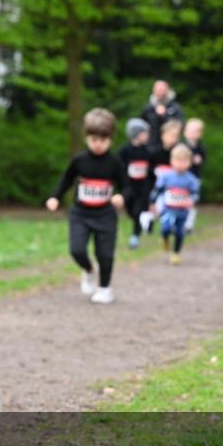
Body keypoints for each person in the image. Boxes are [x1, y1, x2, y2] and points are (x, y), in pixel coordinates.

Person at [45, 108, 127, 304]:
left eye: (103, 140)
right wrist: (55, 197)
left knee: (105, 254)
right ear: (87, 138)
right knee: (77, 250)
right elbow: (66, 179)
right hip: (81, 214)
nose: (98, 144)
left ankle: (105, 289)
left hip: (105, 215)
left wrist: (122, 196)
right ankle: (89, 270)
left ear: (111, 139)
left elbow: (127, 186)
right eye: (94, 139)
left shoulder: (115, 162)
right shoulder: (80, 160)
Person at [150, 144, 201, 266]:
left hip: (182, 211)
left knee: (179, 232)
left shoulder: (191, 179)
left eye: (184, 161)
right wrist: (152, 202)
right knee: (166, 228)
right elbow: (157, 190)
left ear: (189, 163)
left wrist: (192, 200)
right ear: (172, 161)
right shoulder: (166, 176)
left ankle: (176, 253)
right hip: (168, 209)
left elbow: (196, 194)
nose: (180, 164)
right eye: (178, 160)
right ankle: (165, 238)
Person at [140, 119, 184, 234]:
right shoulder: (155, 154)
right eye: (170, 135)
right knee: (157, 207)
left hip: (174, 189)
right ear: (163, 135)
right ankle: (147, 219)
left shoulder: (180, 155)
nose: (172, 139)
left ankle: (172, 226)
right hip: (158, 187)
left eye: (175, 136)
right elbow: (149, 174)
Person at [118, 118, 153, 249]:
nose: (147, 136)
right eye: (145, 133)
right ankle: (146, 221)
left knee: (139, 212)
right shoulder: (124, 151)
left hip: (143, 188)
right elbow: (120, 169)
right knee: (131, 212)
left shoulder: (148, 151)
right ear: (136, 134)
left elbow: (150, 171)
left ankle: (135, 236)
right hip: (129, 187)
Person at [140, 79, 184, 149]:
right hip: (151, 146)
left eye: (162, 90)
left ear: (168, 90)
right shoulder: (148, 108)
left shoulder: (175, 107)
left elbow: (180, 126)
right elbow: (142, 126)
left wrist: (164, 115)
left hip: (170, 147)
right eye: (158, 90)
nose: (160, 92)